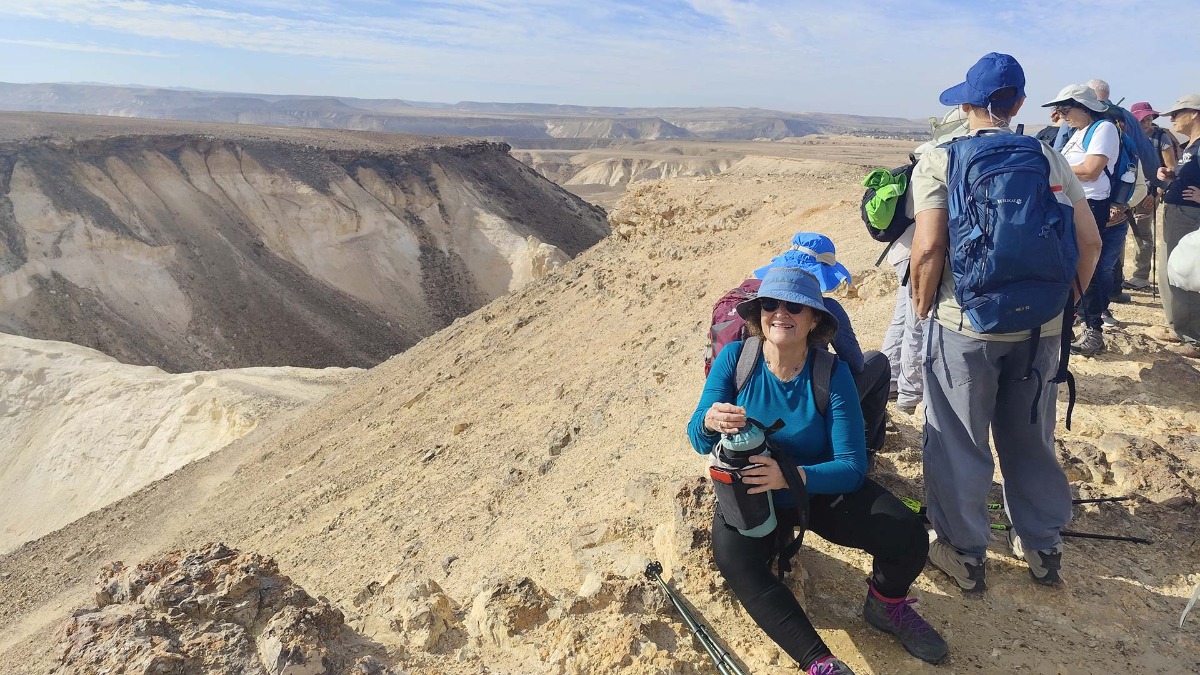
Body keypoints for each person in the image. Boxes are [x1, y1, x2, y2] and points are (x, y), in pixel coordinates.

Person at [689, 266, 948, 674]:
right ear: (758, 315)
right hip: (751, 499)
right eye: (770, 304)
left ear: (814, 321)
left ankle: (886, 604)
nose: (780, 313)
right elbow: (698, 437)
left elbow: (851, 467)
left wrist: (789, 477)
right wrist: (708, 420)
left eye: (795, 306)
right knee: (736, 561)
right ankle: (820, 663)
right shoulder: (736, 359)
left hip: (815, 493)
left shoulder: (831, 373)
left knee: (907, 533)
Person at [909, 54, 1102, 593]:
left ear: (967, 104)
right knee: (1030, 435)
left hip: (965, 323)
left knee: (957, 439)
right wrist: (1062, 306)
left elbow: (927, 249)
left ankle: (965, 554)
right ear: (1018, 104)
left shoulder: (939, 159)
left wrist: (927, 311)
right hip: (1040, 326)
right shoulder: (1048, 157)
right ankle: (1042, 546)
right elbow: (1088, 243)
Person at [754, 233, 891, 457]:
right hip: (812, 404)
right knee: (878, 362)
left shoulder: (761, 304)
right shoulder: (826, 309)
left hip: (762, 403)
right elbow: (856, 363)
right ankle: (867, 447)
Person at [881, 110, 968, 415]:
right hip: (919, 253)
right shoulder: (942, 159)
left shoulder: (923, 154)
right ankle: (909, 394)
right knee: (919, 324)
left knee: (903, 320)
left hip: (903, 250)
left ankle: (888, 380)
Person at [1043, 84, 1126, 356]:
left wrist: (1052, 169)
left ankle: (1094, 330)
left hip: (1090, 203)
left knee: (1086, 263)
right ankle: (1075, 318)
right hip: (1073, 202)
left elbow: (1091, 171)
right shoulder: (1079, 133)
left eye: (1066, 109)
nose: (1062, 114)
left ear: (1084, 107)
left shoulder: (1104, 129)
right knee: (1071, 263)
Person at [1121, 102, 1183, 291]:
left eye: (1149, 119)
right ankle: (1117, 274)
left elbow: (1170, 168)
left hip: (1148, 193)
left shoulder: (1160, 137)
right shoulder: (1124, 134)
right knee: (1120, 232)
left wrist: (1157, 194)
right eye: (1143, 119)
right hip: (1125, 192)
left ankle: (1140, 276)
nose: (1147, 123)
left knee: (1142, 234)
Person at [1156, 94, 1200, 347]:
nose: (1171, 119)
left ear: (1194, 113)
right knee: (1170, 272)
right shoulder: (1190, 146)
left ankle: (1193, 338)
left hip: (1188, 216)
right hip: (1177, 214)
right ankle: (1179, 328)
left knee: (1185, 273)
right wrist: (1172, 176)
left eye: (1176, 113)